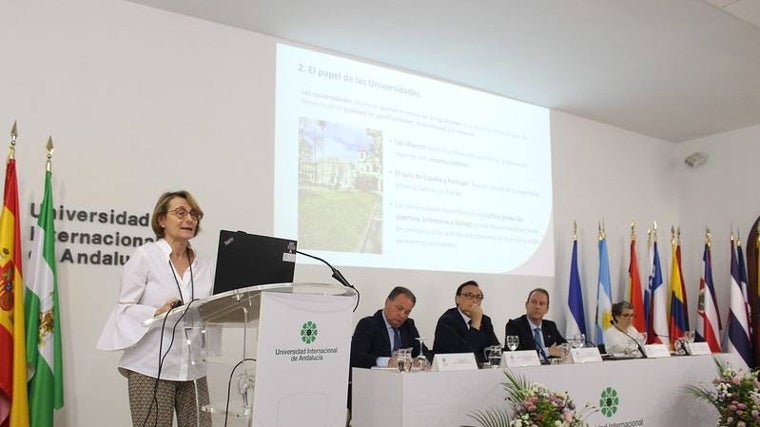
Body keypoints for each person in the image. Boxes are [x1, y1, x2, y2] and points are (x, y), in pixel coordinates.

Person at [97, 191, 212, 427]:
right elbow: (124, 309)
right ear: (161, 220)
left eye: (193, 214)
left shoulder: (205, 266)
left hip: (193, 368)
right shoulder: (145, 257)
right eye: (180, 213)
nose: (189, 219)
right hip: (149, 367)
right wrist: (155, 313)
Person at [350, 286, 430, 368]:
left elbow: (425, 353)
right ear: (387, 302)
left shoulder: (409, 326)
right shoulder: (368, 325)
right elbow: (356, 357)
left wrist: (420, 361)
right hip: (375, 378)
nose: (402, 315)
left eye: (407, 312)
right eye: (399, 308)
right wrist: (387, 362)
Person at [432, 280, 500, 364]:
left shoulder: (485, 320)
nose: (475, 300)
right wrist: (476, 322)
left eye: (478, 297)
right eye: (469, 296)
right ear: (457, 299)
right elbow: (463, 356)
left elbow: (495, 349)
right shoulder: (447, 321)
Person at [504, 288, 566, 362]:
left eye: (541, 303)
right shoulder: (514, 326)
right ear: (526, 305)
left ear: (547, 309)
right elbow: (516, 356)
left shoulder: (550, 326)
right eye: (533, 302)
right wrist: (548, 352)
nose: (537, 307)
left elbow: (564, 345)